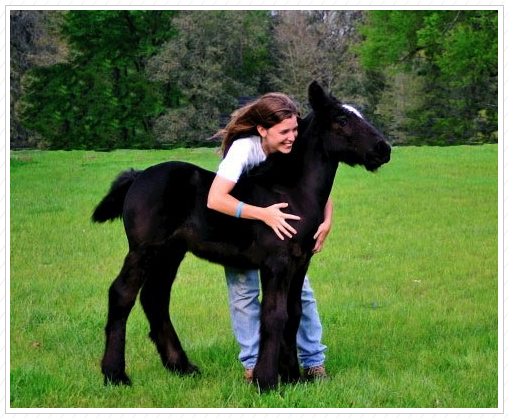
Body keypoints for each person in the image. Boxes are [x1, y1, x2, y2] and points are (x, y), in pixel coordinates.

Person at [207, 92, 332, 383]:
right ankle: (253, 364)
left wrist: (327, 221)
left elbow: (316, 188)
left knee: (301, 293)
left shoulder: (292, 145)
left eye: (295, 129)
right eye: (285, 131)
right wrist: (263, 213)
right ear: (263, 130)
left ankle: (314, 362)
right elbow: (215, 199)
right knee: (244, 293)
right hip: (238, 230)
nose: (292, 136)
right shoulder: (243, 150)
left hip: (278, 232)